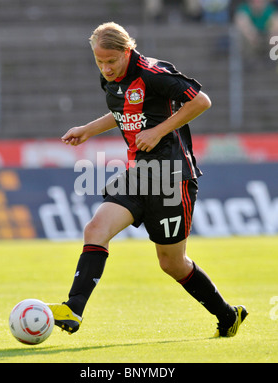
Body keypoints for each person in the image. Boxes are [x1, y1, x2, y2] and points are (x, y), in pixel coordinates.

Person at [48, 22, 248, 338]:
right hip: (139, 174)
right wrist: (88, 129)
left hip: (171, 177)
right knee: (96, 228)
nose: (106, 68)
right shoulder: (110, 78)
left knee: (172, 263)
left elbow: (201, 101)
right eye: (99, 62)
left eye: (111, 61)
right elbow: (123, 112)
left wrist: (158, 131)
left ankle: (227, 315)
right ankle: (73, 308)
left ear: (127, 51)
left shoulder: (153, 73)